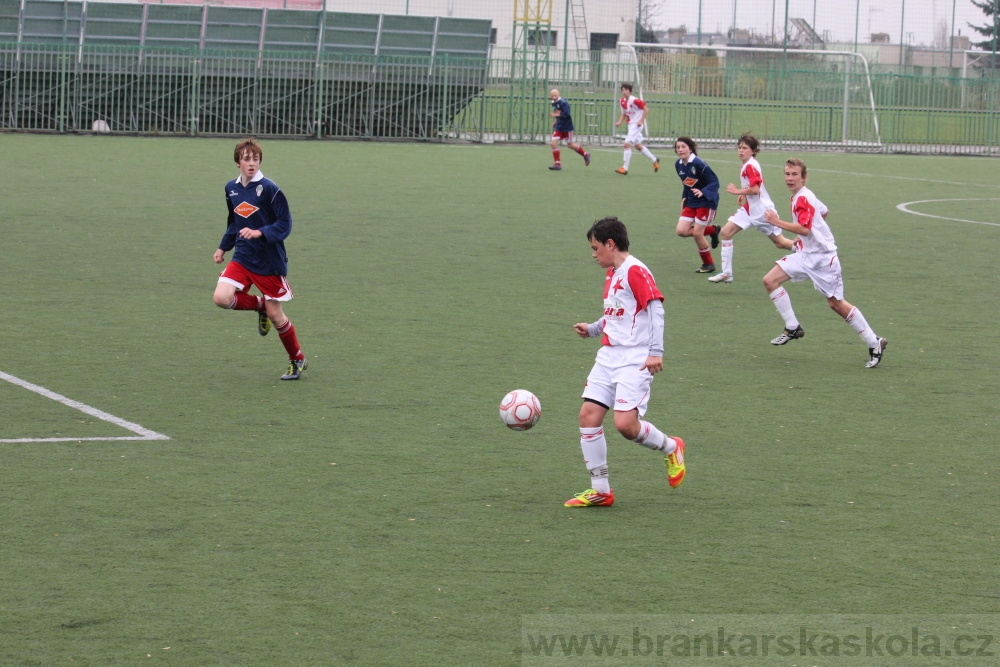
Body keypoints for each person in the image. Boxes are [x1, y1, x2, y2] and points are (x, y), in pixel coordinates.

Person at [565, 216, 687, 508]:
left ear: (611, 243)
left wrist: (655, 351)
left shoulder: (635, 271)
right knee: (588, 416)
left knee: (625, 425)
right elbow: (615, 312)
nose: (594, 255)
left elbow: (655, 307)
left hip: (635, 357)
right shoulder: (613, 272)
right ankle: (601, 490)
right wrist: (593, 328)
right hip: (609, 355)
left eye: (596, 248)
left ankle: (672, 447)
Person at [762, 158, 888, 368]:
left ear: (804, 177)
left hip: (823, 260)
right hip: (806, 255)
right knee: (770, 280)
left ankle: (874, 342)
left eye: (794, 175)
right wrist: (808, 239)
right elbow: (823, 212)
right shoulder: (802, 196)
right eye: (787, 174)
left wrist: (777, 222)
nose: (790, 179)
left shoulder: (803, 198)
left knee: (836, 304)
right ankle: (792, 327)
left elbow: (805, 228)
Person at [212, 138, 308, 380]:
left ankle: (297, 359)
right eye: (246, 159)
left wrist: (260, 232)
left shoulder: (270, 189)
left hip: (269, 261)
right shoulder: (231, 189)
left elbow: (285, 223)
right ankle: (259, 306)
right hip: (243, 256)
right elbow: (234, 222)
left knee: (277, 316)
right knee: (221, 298)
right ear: (237, 163)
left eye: (255, 159)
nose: (251, 163)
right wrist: (223, 248)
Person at [707, 133, 794, 284]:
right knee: (726, 232)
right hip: (749, 210)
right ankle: (727, 273)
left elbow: (755, 190)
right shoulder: (748, 164)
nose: (741, 150)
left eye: (745, 148)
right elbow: (754, 187)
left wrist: (738, 191)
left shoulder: (750, 166)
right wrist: (744, 195)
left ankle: (810, 253)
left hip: (763, 212)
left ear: (753, 150)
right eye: (739, 147)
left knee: (781, 243)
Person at [672, 136, 722, 273]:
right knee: (681, 231)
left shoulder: (699, 164)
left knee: (697, 234)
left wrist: (703, 192)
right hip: (691, 202)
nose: (680, 149)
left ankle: (709, 264)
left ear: (690, 148)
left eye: (683, 146)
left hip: (706, 202)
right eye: (678, 147)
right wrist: (684, 199)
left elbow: (714, 182)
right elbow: (687, 183)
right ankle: (713, 230)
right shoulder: (678, 165)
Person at [613, 83, 659, 175]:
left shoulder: (635, 100)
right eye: (623, 90)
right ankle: (655, 160)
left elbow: (646, 110)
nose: (624, 91)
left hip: (636, 125)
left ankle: (625, 168)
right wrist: (619, 122)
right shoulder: (622, 101)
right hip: (631, 125)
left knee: (626, 144)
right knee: (638, 146)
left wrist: (641, 121)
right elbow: (624, 114)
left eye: (626, 90)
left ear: (630, 91)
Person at [548, 89, 590, 170]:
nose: (554, 97)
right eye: (552, 96)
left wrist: (555, 115)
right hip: (559, 127)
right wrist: (556, 121)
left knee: (570, 145)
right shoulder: (554, 103)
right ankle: (557, 164)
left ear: (559, 95)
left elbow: (566, 114)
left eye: (555, 95)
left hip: (567, 127)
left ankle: (585, 154)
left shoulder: (563, 103)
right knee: (553, 143)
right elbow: (558, 112)